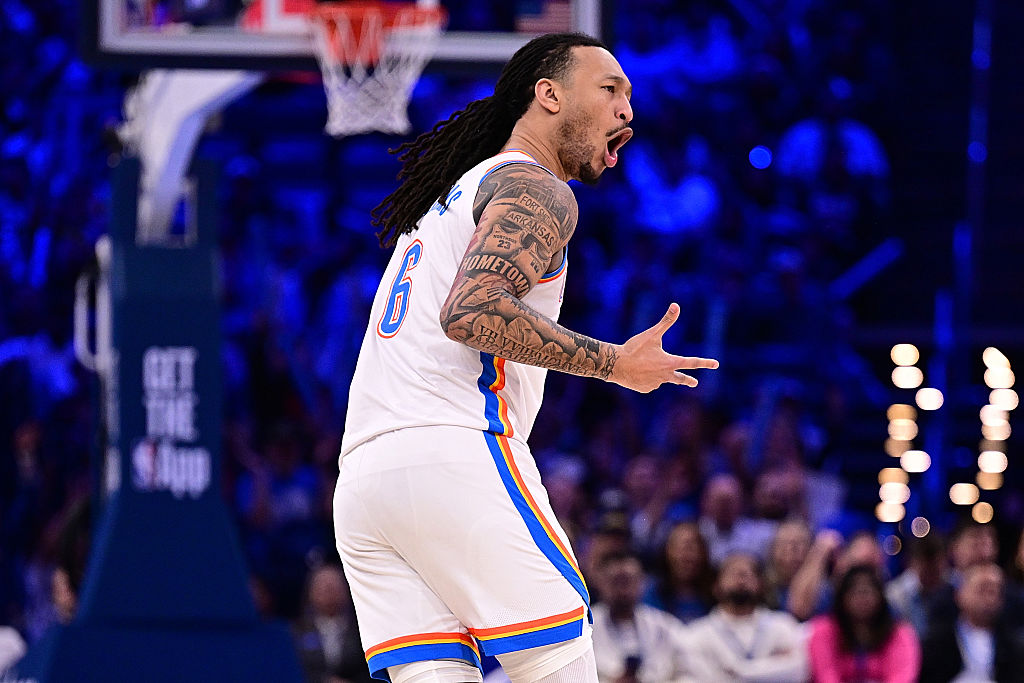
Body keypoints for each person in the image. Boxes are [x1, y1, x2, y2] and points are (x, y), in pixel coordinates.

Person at [333, 32, 719, 683]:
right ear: (548, 94)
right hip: (450, 450)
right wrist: (615, 362)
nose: (629, 108)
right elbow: (473, 312)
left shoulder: (449, 196)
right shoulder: (536, 186)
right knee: (560, 658)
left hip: (365, 483)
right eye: (610, 89)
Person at [685, 553, 808, 682]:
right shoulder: (697, 634)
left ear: (761, 585)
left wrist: (738, 671)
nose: (741, 578)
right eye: (733, 573)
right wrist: (771, 668)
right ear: (716, 587)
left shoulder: (782, 624)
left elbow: (799, 671)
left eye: (748, 573)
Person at [806, 565, 920, 683]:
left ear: (881, 596)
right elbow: (826, 676)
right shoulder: (823, 631)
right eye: (855, 591)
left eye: (868, 590)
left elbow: (903, 677)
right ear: (842, 597)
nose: (862, 597)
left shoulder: (900, 634)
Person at [919, 563, 1024, 683]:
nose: (989, 598)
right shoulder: (936, 643)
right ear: (960, 594)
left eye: (994, 591)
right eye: (982, 589)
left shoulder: (1014, 647)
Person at [292, 564, 372, 683]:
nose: (329, 592)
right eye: (323, 587)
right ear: (310, 591)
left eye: (334, 587)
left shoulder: (364, 628)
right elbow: (294, 669)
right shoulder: (297, 631)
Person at [643, 521, 715, 624]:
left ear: (703, 555)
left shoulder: (714, 593)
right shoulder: (653, 592)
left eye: (692, 548)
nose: (687, 556)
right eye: (681, 548)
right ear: (668, 552)